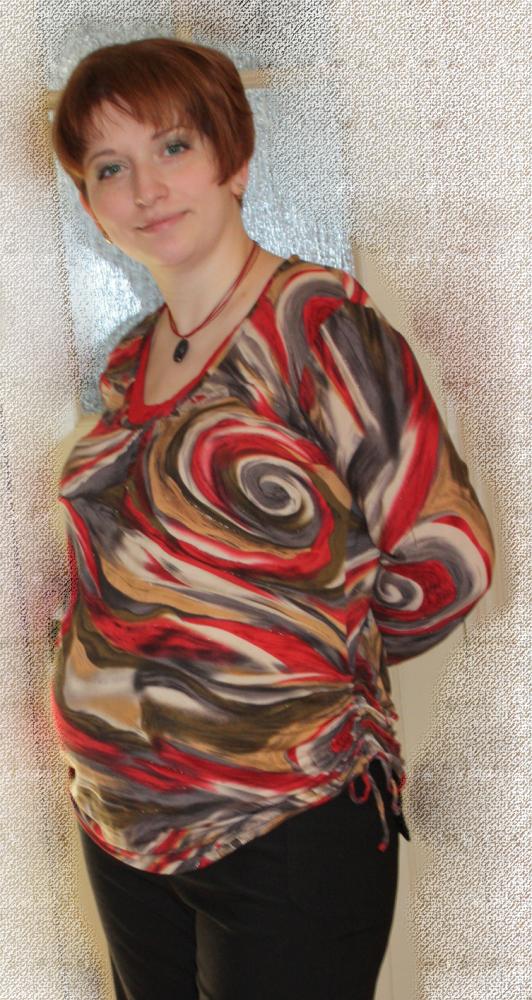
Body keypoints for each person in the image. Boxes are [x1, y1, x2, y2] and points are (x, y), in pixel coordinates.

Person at [49, 36, 495, 1000]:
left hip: (284, 826)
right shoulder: (129, 363)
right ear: (90, 204)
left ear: (235, 159)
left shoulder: (315, 323)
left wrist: (290, 671)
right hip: (123, 824)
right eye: (110, 167)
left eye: (173, 147)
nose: (145, 189)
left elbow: (446, 558)